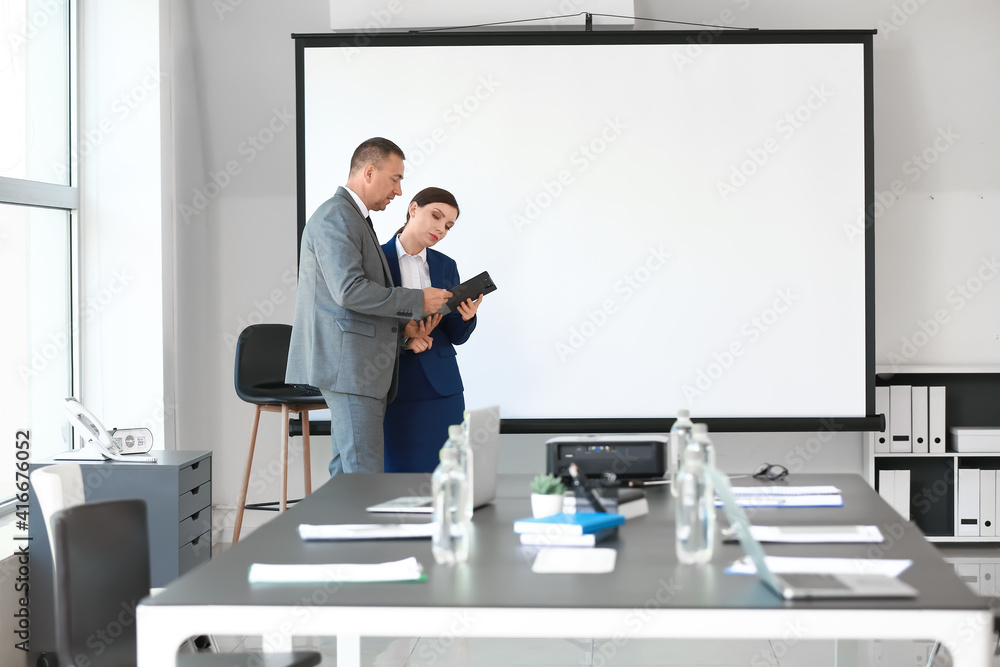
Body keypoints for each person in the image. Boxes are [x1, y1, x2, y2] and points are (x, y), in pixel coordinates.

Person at [286, 138, 452, 476]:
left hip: (353, 368)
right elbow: (350, 291)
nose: (400, 191)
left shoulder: (352, 218)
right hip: (350, 369)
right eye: (395, 179)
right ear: (369, 171)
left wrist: (404, 336)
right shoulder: (337, 216)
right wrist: (418, 300)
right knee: (365, 475)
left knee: (347, 475)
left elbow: (351, 304)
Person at [381, 187, 485, 472]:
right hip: (393, 385)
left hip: (443, 389)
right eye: (436, 216)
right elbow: (368, 320)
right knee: (397, 474)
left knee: (449, 472)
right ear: (413, 209)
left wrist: (465, 318)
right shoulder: (377, 260)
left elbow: (456, 335)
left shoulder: (445, 265)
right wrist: (404, 339)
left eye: (448, 226)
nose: (441, 228)